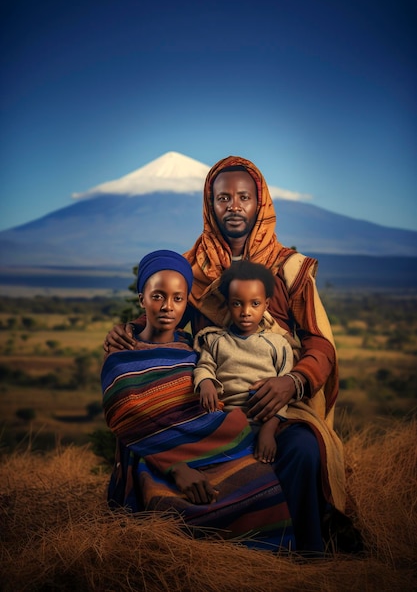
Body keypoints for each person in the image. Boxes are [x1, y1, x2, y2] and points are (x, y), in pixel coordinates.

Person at [104, 156, 347, 554]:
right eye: (223, 198)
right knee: (155, 444)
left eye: (243, 197)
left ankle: (308, 551)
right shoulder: (191, 268)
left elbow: (320, 342)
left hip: (279, 402)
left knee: (301, 449)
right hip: (210, 404)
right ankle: (230, 546)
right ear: (209, 205)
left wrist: (292, 381)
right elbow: (166, 314)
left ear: (260, 203)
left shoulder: (290, 269)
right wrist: (128, 330)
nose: (233, 206)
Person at [102, 249, 295, 551]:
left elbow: (202, 415)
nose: (168, 306)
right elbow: (130, 429)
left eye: (179, 298)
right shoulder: (120, 359)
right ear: (142, 299)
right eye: (158, 296)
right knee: (171, 510)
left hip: (212, 448)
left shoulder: (190, 349)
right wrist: (176, 468)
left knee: (261, 482)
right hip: (153, 460)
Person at [194, 260, 298, 465]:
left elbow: (285, 394)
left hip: (264, 421)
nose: (246, 311)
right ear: (228, 304)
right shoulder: (215, 340)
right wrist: (205, 382)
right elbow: (204, 366)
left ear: (266, 304)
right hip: (222, 420)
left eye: (255, 303)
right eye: (237, 303)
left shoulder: (277, 344)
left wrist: (268, 431)